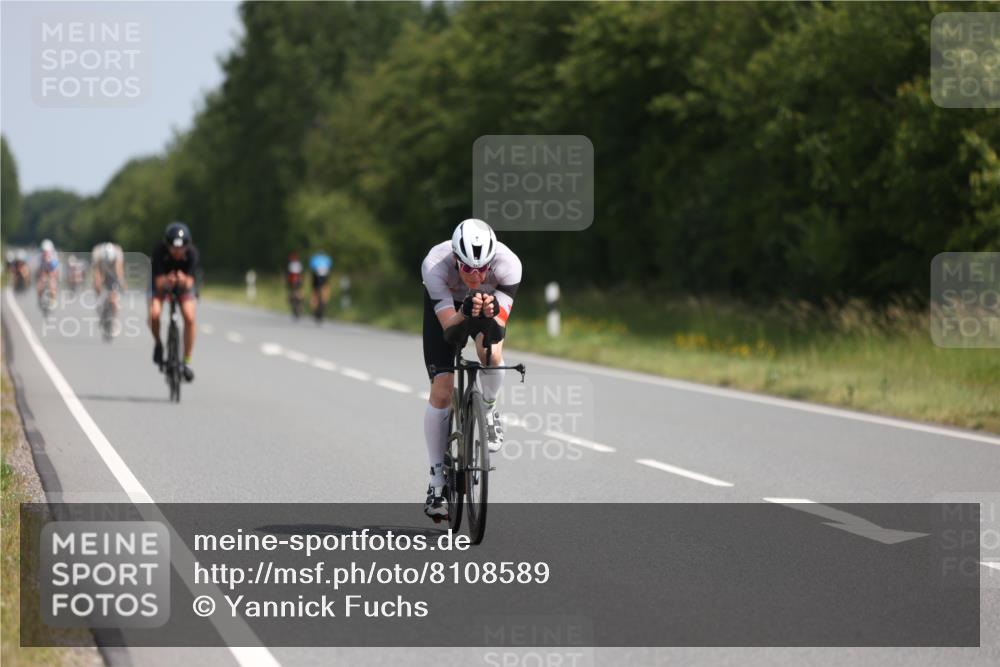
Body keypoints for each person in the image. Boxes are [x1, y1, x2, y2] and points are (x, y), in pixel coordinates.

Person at [420, 218, 522, 520]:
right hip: (449, 311)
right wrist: (465, 311)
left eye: (482, 269)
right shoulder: (435, 265)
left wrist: (489, 315)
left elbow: (497, 331)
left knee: (490, 354)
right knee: (441, 390)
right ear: (455, 258)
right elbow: (450, 332)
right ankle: (436, 479)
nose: (475, 276)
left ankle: (488, 407)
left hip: (488, 305)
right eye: (467, 269)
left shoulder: (509, 265)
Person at [149, 223, 199, 382]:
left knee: (190, 317)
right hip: (161, 286)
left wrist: (183, 280)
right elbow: (157, 282)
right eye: (174, 248)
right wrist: (167, 281)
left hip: (183, 287)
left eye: (181, 248)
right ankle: (158, 343)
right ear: (167, 246)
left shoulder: (192, 254)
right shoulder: (158, 252)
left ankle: (187, 361)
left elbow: (191, 282)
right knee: (154, 314)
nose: (178, 252)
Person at [92, 242, 127, 322]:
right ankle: (100, 306)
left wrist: (122, 282)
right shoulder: (98, 254)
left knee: (114, 298)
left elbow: (119, 272)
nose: (109, 264)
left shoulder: (118, 255)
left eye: (111, 262)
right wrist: (98, 285)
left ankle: (114, 319)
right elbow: (97, 273)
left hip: (113, 276)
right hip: (102, 272)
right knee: (98, 287)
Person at [308, 251, 333, 320]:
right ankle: (325, 301)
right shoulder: (327, 258)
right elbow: (330, 267)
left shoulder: (315, 258)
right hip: (325, 277)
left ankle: (313, 307)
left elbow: (312, 267)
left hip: (316, 277)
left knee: (315, 292)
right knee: (325, 288)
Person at [35, 239, 60, 307]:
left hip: (52, 271)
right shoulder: (39, 257)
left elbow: (56, 269)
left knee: (52, 284)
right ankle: (40, 298)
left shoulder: (54, 256)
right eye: (44, 251)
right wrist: (40, 278)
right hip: (43, 271)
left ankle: (53, 299)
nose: (45, 253)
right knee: (40, 284)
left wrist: (53, 277)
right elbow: (38, 269)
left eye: (47, 251)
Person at [286, 252, 305, 317]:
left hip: (292, 281)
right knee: (299, 291)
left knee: (292, 292)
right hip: (297, 280)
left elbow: (288, 274)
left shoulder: (290, 264)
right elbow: (301, 273)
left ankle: (294, 301)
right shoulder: (299, 264)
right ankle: (301, 303)